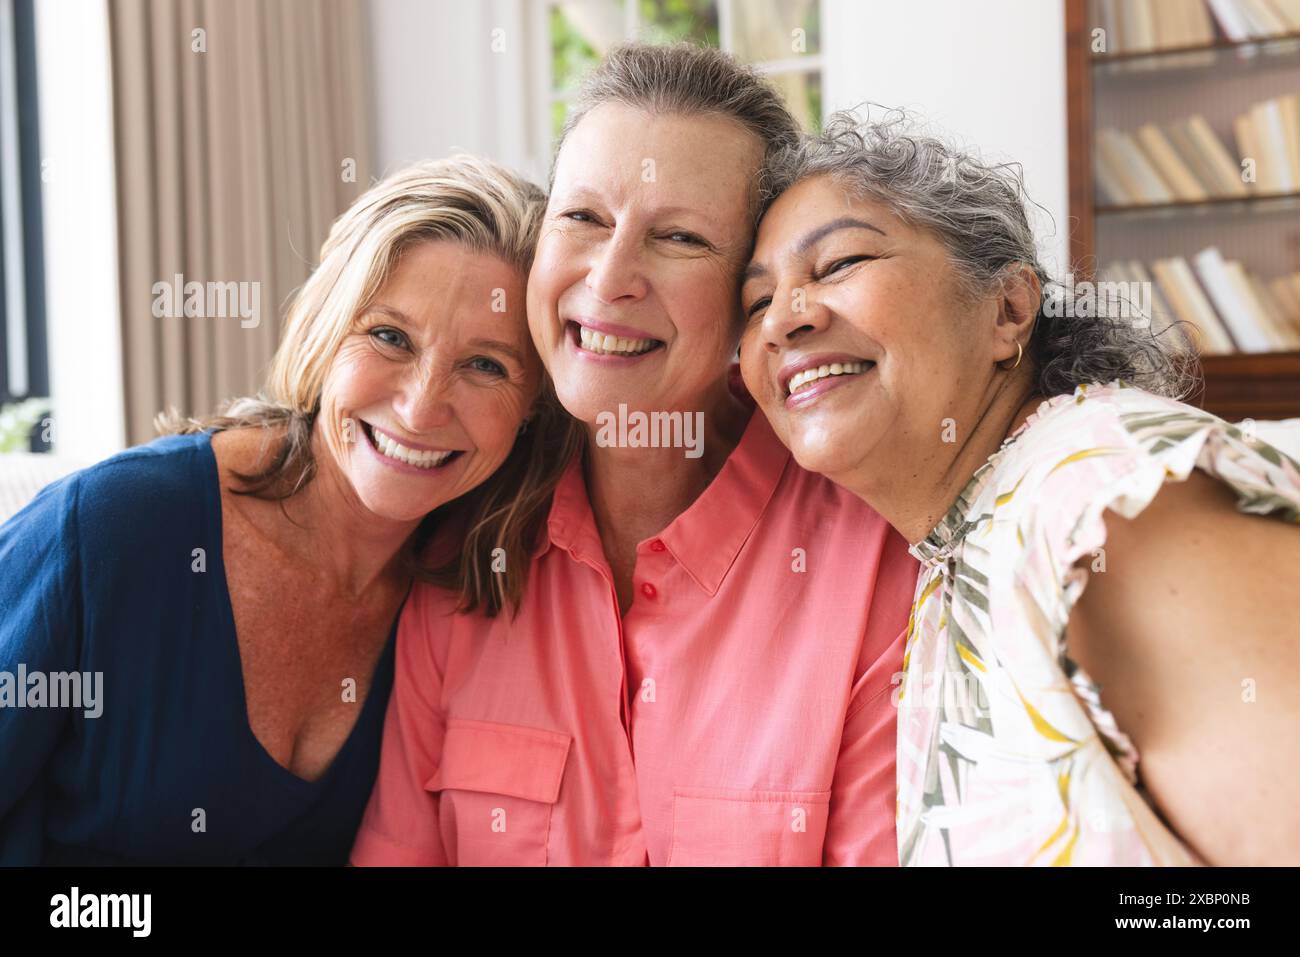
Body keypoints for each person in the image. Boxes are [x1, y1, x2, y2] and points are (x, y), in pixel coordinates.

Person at [351, 44, 919, 868]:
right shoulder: (462, 549)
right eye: (582, 219)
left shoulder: (871, 564)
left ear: (752, 297)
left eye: (680, 237)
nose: (611, 276)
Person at [738, 108, 1300, 866]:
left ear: (1009, 309)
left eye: (838, 264)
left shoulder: (1101, 497)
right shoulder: (964, 542)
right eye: (755, 303)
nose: (784, 319)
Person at [0, 156, 568, 864]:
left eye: (486, 365)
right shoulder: (116, 525)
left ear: (535, 409)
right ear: (326, 333)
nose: (422, 406)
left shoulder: (471, 597)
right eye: (390, 336)